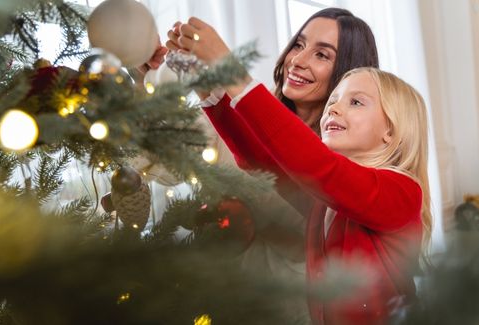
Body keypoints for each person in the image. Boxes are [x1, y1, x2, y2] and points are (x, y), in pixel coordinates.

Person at [168, 17, 432, 325]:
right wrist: (208, 89)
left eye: (356, 102)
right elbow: (263, 161)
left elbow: (319, 166)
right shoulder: (325, 200)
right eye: (334, 100)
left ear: (391, 130)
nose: (334, 108)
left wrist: (231, 69)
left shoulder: (402, 192)